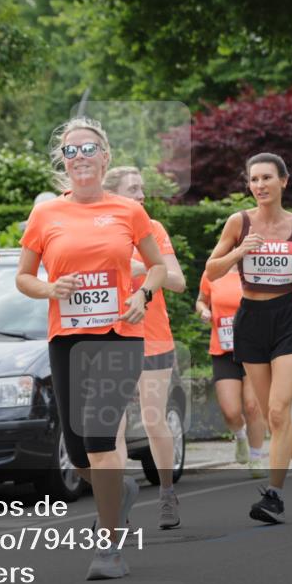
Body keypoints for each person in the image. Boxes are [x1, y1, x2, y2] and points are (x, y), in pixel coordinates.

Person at [16, 118, 167, 579]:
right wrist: (50, 289)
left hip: (118, 338)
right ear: (63, 162)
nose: (80, 157)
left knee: (102, 441)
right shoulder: (45, 216)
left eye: (88, 149)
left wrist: (142, 296)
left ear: (105, 157)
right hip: (68, 339)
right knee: (79, 453)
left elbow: (157, 268)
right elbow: (22, 278)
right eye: (71, 151)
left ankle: (109, 549)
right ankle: (117, 492)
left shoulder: (128, 211)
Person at [205, 152, 292, 524]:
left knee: (277, 409)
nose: (260, 186)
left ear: (284, 181)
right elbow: (211, 270)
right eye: (254, 180)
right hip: (251, 321)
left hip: (289, 318)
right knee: (272, 417)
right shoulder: (238, 222)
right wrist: (241, 250)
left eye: (267, 178)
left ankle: (274, 496)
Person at [102, 166, 185, 530]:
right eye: (133, 189)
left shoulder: (153, 229)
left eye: (142, 189)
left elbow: (179, 282)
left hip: (152, 338)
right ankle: (117, 504)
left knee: (153, 419)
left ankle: (166, 491)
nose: (141, 195)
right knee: (113, 428)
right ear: (115, 195)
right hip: (110, 338)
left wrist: (138, 267)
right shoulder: (99, 231)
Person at [196, 266, 269, 478]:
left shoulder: (257, 268)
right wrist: (203, 310)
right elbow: (201, 300)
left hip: (255, 348)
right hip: (224, 350)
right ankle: (240, 436)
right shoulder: (212, 271)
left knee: (252, 405)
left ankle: (256, 458)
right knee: (230, 411)